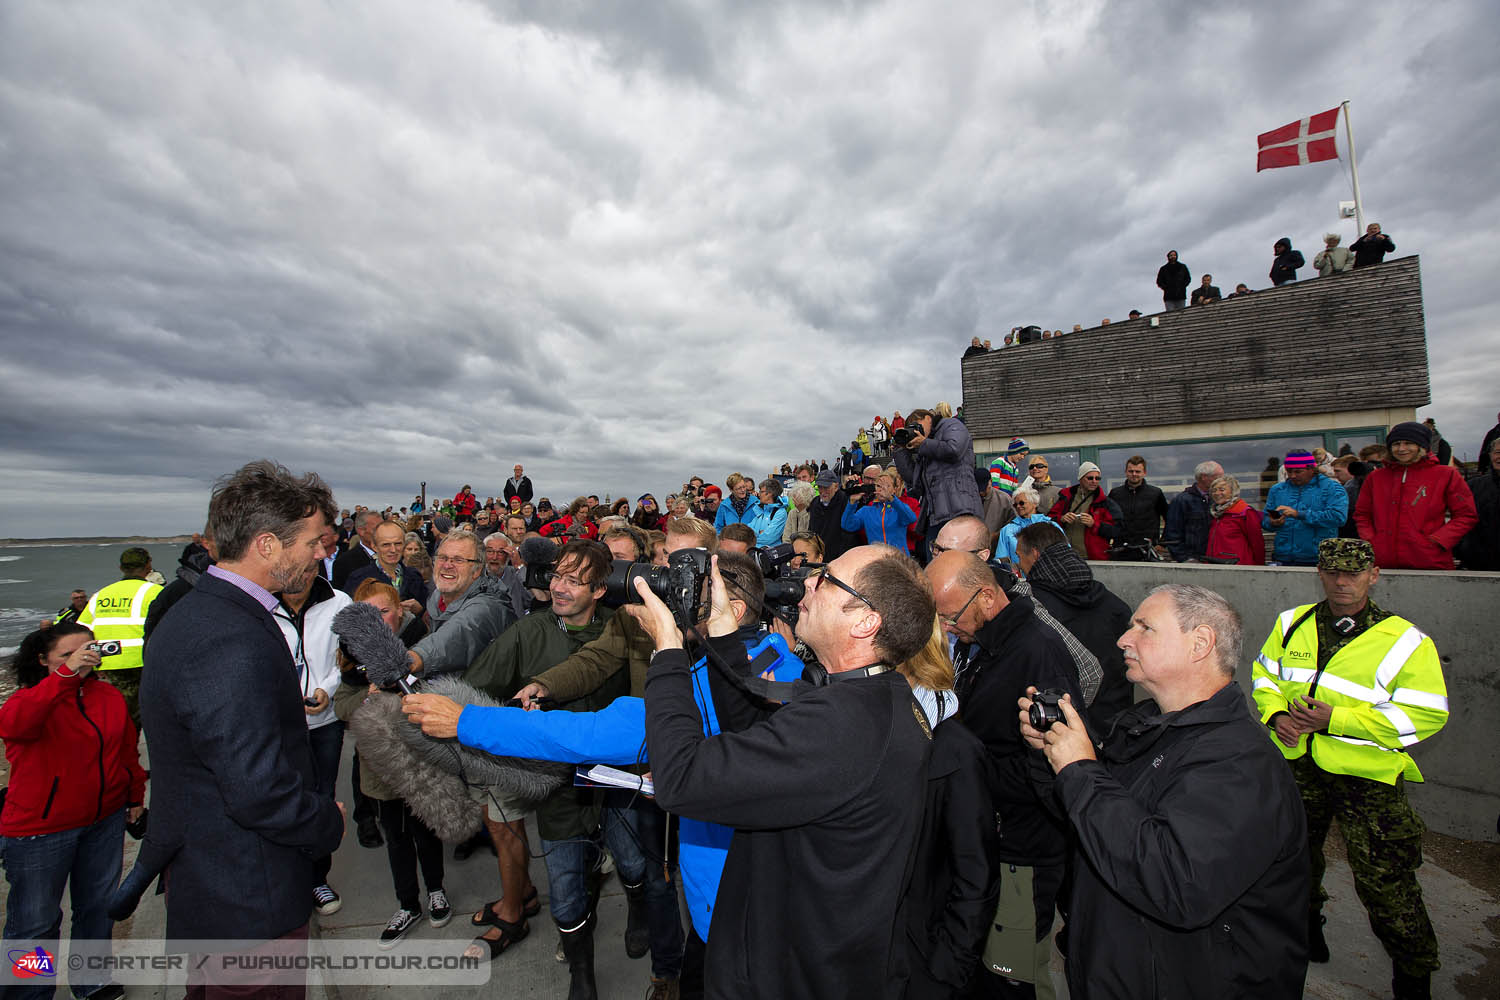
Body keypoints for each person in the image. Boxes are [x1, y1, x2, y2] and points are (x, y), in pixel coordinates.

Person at [640, 545, 942, 999]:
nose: (807, 584)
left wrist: (667, 652)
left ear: (865, 621)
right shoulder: (873, 697)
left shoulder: (842, 726)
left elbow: (681, 778)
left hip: (787, 976)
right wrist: (722, 626)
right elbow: (758, 732)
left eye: (826, 580)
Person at [1022, 584, 1309, 999]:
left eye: (1145, 627)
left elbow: (1175, 884)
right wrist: (1052, 757)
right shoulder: (1146, 728)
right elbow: (1096, 826)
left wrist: (1080, 769)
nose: (1124, 638)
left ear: (1200, 643)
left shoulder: (1239, 762)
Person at [138, 460, 346, 988]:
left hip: (219, 889)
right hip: (245, 898)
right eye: (314, 542)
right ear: (268, 545)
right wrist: (326, 820)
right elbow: (256, 789)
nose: (322, 555)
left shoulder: (199, 608)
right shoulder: (228, 635)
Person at [1251, 539, 1445, 999]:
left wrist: (1335, 719)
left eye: (1353, 574)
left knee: (1385, 880)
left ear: (1373, 575)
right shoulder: (1291, 623)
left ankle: (1413, 975)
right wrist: (1277, 716)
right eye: (1333, 572)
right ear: (1319, 572)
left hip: (1367, 777)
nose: (1342, 582)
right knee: (1293, 862)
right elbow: (1265, 676)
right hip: (1300, 766)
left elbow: (1426, 713)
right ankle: (1304, 931)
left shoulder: (1404, 639)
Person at [927, 551, 1087, 998]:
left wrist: (966, 774)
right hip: (992, 842)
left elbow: (1059, 768)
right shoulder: (987, 642)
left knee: (1013, 977)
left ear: (986, 596)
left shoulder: (1038, 653)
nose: (946, 628)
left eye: (950, 616)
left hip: (1024, 853)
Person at [1, 623, 147, 1000]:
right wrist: (64, 678)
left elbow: (126, 751)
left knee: (97, 909)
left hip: (104, 820)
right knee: (36, 923)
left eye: (87, 650)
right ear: (43, 660)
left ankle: (91, 981)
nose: (80, 660)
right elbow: (14, 725)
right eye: (67, 655)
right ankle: (28, 994)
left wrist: (134, 796)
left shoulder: (107, 696)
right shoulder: (30, 699)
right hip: (40, 829)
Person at [333, 581, 447, 948]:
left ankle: (436, 890)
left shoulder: (422, 644)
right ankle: (407, 903)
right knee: (396, 838)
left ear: (400, 610)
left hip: (420, 760)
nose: (378, 621)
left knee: (426, 832)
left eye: (384, 611)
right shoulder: (351, 657)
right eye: (368, 615)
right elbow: (342, 706)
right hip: (381, 767)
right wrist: (366, 699)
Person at [271, 551, 352, 917]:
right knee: (280, 800)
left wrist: (328, 689)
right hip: (276, 726)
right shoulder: (260, 606)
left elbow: (347, 658)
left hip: (326, 724)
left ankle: (318, 877)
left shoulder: (339, 603)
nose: (299, 577)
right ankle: (286, 877)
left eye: (307, 569)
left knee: (322, 797)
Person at [1016, 526, 1134, 726]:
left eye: (1019, 555)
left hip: (1069, 722)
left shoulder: (1032, 607)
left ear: (1034, 554)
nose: (1018, 564)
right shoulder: (1113, 602)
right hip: (1118, 717)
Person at [1355, 422, 1478, 570]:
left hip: (1430, 561)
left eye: (1408, 443)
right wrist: (1371, 540)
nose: (1401, 449)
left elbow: (1466, 515)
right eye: (1396, 444)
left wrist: (1439, 540)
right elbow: (1362, 514)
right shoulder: (1375, 477)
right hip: (1382, 562)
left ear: (1422, 446)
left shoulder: (1446, 475)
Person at [407, 530, 516, 676]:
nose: (447, 565)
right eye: (442, 557)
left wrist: (411, 661)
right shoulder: (438, 596)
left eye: (458, 560)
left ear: (477, 570)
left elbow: (455, 634)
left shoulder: (486, 606)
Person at [893, 406, 984, 559]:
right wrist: (900, 450)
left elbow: (954, 449)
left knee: (962, 563)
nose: (915, 431)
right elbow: (913, 479)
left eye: (916, 425)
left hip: (960, 509)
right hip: (935, 515)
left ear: (928, 418)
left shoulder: (951, 425)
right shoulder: (925, 446)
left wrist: (923, 444)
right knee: (935, 567)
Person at [1262, 449, 1347, 565]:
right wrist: (1272, 522)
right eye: (1289, 471)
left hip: (1318, 557)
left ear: (1311, 469)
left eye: (1298, 472)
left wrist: (1299, 514)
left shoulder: (1332, 488)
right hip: (1283, 556)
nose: (1292, 475)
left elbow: (1338, 517)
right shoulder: (1277, 490)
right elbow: (1266, 517)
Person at [1046, 462, 1121, 561]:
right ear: (1080, 478)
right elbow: (1048, 520)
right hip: (1065, 556)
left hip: (1093, 558)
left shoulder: (1106, 502)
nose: (1094, 481)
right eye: (1090, 478)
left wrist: (1094, 524)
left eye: (1097, 478)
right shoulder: (1065, 497)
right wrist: (1062, 519)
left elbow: (1117, 530)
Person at [1106, 455, 1168, 556]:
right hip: (1121, 550)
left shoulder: (1155, 493)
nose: (1134, 474)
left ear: (1144, 473)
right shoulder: (1115, 494)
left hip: (1148, 550)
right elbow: (1107, 519)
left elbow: (1169, 519)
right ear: (1126, 472)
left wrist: (1162, 543)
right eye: (1131, 471)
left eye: (1138, 471)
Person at [841, 469, 919, 547]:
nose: (882, 489)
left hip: (898, 556)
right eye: (878, 486)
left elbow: (911, 518)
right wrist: (852, 502)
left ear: (895, 489)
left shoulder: (899, 509)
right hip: (877, 556)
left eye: (887, 486)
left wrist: (892, 499)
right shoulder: (867, 510)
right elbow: (847, 525)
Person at [1163, 460, 1222, 562]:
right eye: (1218, 477)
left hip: (1214, 559)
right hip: (1192, 560)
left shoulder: (1217, 500)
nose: (1221, 481)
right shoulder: (1182, 501)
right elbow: (1172, 534)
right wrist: (1185, 559)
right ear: (1204, 477)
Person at [1457, 436, 1500, 569]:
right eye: (1498, 452)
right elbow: (1460, 520)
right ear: (1490, 455)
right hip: (1479, 564)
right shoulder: (1474, 486)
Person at [1204, 474, 1266, 565]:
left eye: (1222, 490)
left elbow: (1257, 543)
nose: (1217, 493)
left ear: (1233, 492)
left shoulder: (1244, 512)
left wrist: (1259, 567)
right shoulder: (1216, 513)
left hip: (1238, 567)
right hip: (1215, 565)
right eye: (1214, 490)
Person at [995, 488, 1061, 565]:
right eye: (1015, 505)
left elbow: (1064, 552)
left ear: (1034, 503)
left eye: (1021, 503)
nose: (1018, 506)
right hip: (1019, 575)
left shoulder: (1051, 526)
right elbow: (1001, 560)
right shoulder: (1007, 530)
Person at [808, 469, 859, 561]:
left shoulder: (846, 501)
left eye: (826, 487)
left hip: (840, 556)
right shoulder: (815, 503)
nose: (823, 491)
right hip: (820, 556)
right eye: (820, 487)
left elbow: (849, 535)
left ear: (836, 486)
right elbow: (812, 530)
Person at [331, 510, 380, 590]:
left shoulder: (393, 556)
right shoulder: (344, 562)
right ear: (361, 531)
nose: (383, 533)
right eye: (377, 529)